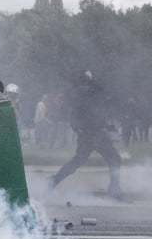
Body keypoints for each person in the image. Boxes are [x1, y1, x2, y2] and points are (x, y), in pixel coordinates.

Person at [50, 70, 122, 199]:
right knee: (115, 159)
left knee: (78, 161)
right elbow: (91, 113)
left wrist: (82, 130)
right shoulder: (88, 94)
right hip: (94, 134)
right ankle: (114, 190)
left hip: (89, 134)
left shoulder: (79, 95)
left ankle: (54, 181)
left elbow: (81, 116)